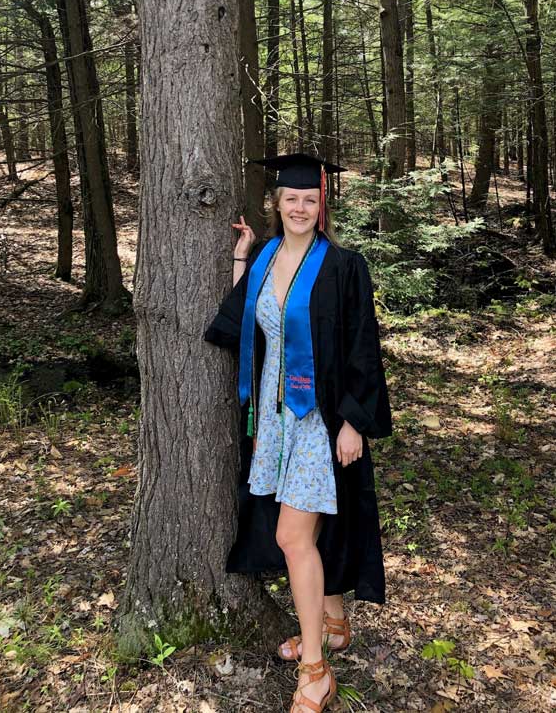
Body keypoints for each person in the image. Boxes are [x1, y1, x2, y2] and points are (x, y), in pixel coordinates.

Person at [204, 153, 392, 713]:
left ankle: (316, 670)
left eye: (311, 199)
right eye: (291, 199)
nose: (301, 208)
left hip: (319, 421)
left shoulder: (343, 266)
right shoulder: (263, 257)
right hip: (273, 419)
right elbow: (245, 323)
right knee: (306, 530)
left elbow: (363, 344)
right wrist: (240, 256)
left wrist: (356, 420)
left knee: (292, 537)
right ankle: (333, 624)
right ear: (277, 204)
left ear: (321, 204)